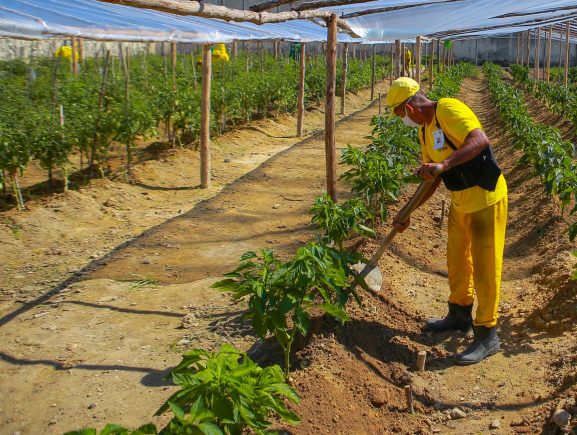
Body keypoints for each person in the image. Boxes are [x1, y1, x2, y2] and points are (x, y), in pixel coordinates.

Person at [386, 77, 508, 365]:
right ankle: (458, 314)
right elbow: (432, 179)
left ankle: (487, 333)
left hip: (486, 198)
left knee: (485, 267)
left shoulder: (448, 109)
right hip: (461, 200)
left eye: (400, 113)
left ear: (411, 108)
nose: (404, 119)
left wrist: (444, 164)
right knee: (456, 259)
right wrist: (407, 212)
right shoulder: (425, 132)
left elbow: (479, 141)